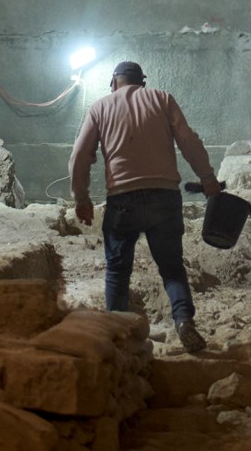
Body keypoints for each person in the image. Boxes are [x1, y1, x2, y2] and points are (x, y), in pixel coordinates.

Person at [70, 60, 221, 353]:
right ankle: (184, 320)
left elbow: (79, 156)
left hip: (122, 200)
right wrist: (208, 178)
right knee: (172, 268)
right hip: (164, 197)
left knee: (117, 270)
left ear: (114, 82)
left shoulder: (100, 107)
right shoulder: (161, 99)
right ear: (143, 83)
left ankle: (117, 335)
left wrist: (82, 198)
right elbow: (188, 141)